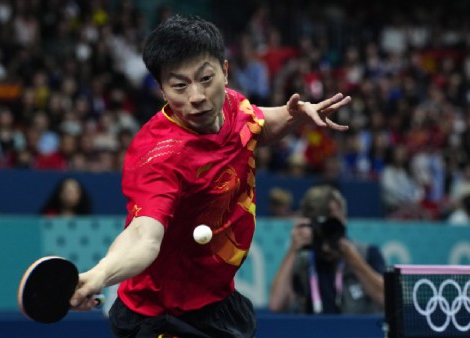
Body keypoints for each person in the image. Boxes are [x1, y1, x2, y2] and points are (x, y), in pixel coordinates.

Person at [70, 15, 351, 337]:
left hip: (216, 301)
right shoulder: (160, 157)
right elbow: (143, 237)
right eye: (179, 86)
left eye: (205, 78)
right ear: (162, 90)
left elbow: (256, 124)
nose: (197, 96)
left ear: (225, 72)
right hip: (161, 313)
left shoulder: (232, 105)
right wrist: (100, 273)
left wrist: (293, 115)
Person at [268, 184, 385, 314]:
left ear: (344, 218)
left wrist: (354, 261)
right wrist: (293, 249)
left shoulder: (366, 253)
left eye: (332, 223)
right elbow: (276, 305)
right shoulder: (303, 260)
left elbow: (386, 300)